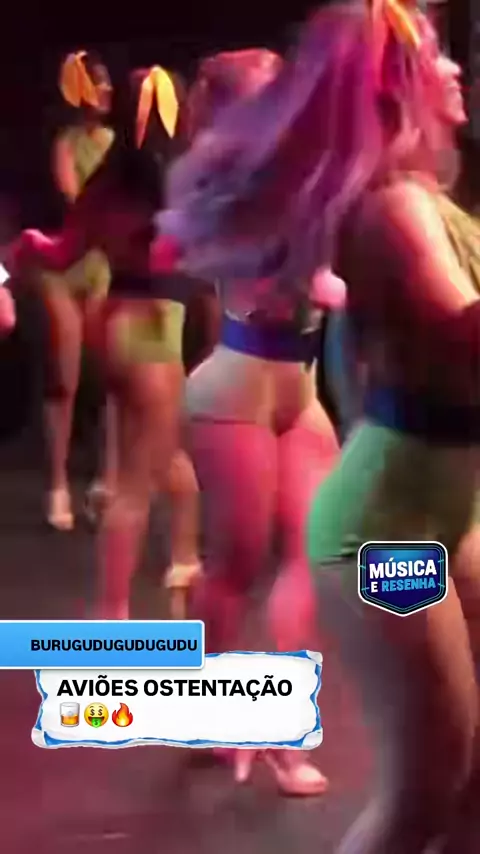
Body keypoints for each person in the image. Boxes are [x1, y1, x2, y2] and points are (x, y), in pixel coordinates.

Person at [159, 1, 480, 848]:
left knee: (468, 776)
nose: (456, 68)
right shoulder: (393, 209)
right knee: (428, 784)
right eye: (436, 57)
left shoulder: (425, 204)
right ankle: (216, 710)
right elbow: (463, 332)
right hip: (392, 532)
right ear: (397, 89)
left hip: (433, 499)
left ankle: (271, 727)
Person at [162, 48, 345, 795]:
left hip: (298, 389)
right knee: (235, 565)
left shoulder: (299, 174)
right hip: (236, 391)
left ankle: (282, 733)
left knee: (313, 556)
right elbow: (275, 287)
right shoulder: (222, 181)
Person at [10, 66, 202, 620]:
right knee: (138, 482)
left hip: (111, 323)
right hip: (150, 329)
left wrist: (25, 248)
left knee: (163, 453)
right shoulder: (182, 189)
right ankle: (112, 614)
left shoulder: (106, 185)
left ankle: (184, 563)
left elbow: (61, 251)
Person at [44, 50, 115, 530]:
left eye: (108, 82)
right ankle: (57, 484)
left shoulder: (114, 144)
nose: (107, 90)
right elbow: (77, 199)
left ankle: (106, 480)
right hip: (69, 268)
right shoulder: (66, 144)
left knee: (112, 377)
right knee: (64, 380)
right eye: (99, 83)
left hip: (105, 267)